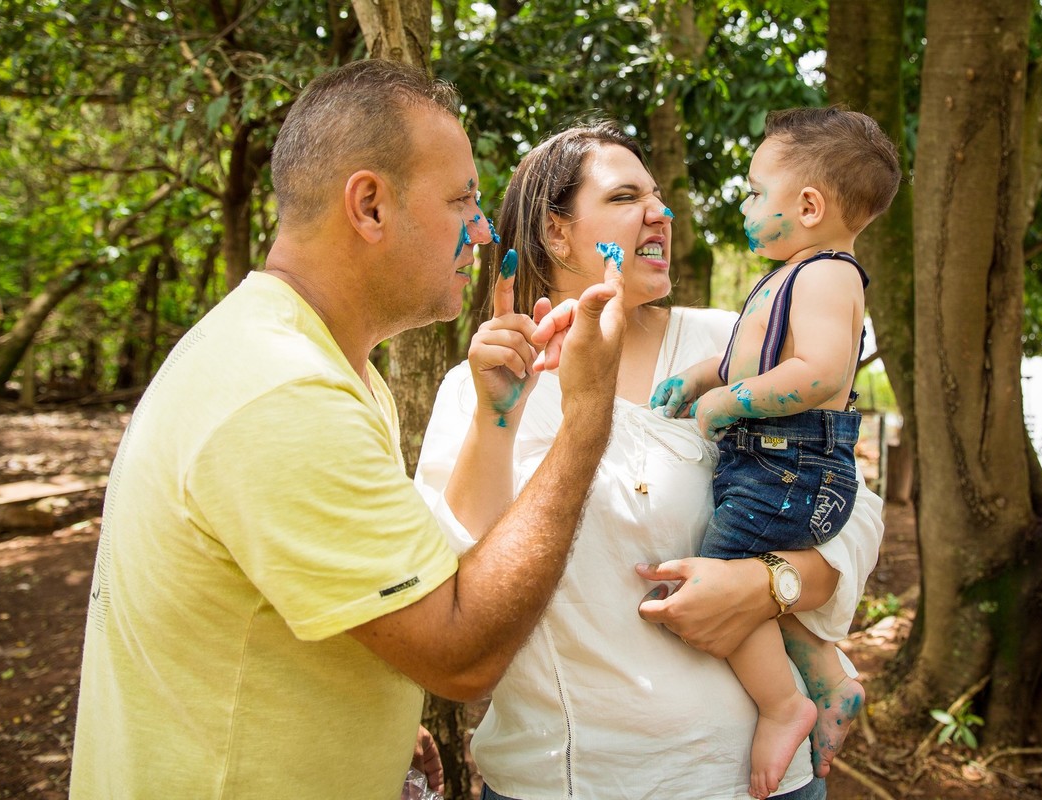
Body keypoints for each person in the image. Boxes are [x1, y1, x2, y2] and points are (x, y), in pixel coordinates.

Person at [69, 59, 629, 799]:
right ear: (369, 206)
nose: (485, 229)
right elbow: (461, 658)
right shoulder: (284, 392)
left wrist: (381, 720)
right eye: (462, 199)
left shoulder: (314, 359)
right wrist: (587, 419)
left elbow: (324, 589)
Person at [415, 120, 885, 800]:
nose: (660, 212)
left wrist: (770, 585)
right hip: (569, 782)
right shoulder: (479, 388)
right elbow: (459, 592)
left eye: (659, 196)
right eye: (627, 197)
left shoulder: (734, 343)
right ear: (555, 232)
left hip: (763, 782)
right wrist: (499, 422)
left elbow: (853, 509)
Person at [648, 107, 901, 797]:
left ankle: (783, 705)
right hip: (769, 466)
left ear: (810, 206)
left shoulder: (826, 277)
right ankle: (827, 678)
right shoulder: (790, 274)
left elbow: (818, 374)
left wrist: (734, 401)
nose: (746, 203)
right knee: (744, 577)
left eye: (757, 191)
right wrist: (704, 376)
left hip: (793, 466)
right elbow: (749, 356)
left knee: (722, 583)